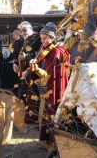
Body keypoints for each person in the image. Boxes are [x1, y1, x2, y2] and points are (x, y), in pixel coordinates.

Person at [28, 23, 70, 152]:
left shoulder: (56, 52)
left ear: (52, 38)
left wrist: (36, 70)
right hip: (54, 88)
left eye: (44, 38)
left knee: (48, 113)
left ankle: (51, 144)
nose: (42, 42)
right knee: (46, 114)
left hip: (54, 89)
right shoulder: (54, 50)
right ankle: (48, 141)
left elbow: (48, 76)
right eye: (41, 39)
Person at [13, 21, 41, 124]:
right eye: (20, 30)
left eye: (24, 30)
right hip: (23, 71)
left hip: (33, 71)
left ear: (30, 28)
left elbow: (39, 55)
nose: (22, 32)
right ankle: (26, 117)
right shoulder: (25, 39)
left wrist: (26, 57)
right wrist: (16, 63)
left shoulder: (37, 38)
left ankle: (33, 118)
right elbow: (18, 53)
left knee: (32, 93)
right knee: (23, 93)